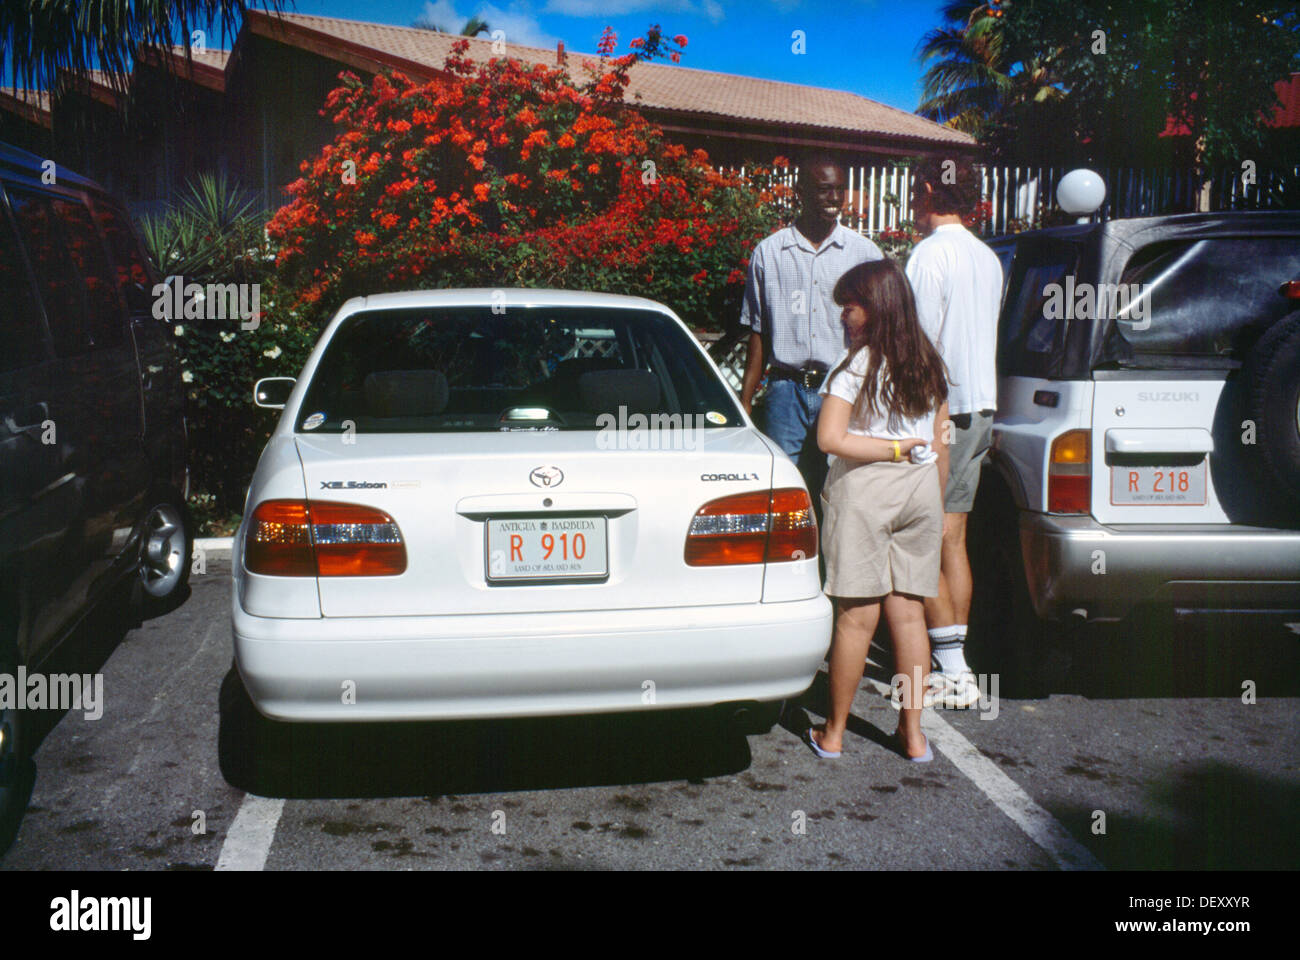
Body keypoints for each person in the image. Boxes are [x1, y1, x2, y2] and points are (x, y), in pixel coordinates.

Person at [805, 259, 949, 762]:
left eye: (851, 305)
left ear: (876, 308)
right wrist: (934, 493)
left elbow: (830, 439)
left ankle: (835, 732)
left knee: (856, 620)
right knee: (909, 618)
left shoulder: (855, 367)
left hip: (867, 492)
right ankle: (913, 736)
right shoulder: (929, 363)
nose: (844, 316)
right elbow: (939, 442)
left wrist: (889, 448)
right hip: (921, 491)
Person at [905, 158, 1003, 710]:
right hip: (979, 406)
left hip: (938, 410)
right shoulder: (986, 257)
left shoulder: (928, 255)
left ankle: (952, 669)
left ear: (925, 190)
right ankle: (955, 664)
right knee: (954, 537)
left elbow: (917, 346)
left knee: (928, 538)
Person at [739, 155, 882, 505]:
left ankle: (833, 561)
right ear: (800, 192)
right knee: (784, 494)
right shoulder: (769, 253)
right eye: (824, 190)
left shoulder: (865, 254)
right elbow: (758, 334)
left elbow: (883, 331)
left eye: (839, 190)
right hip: (785, 393)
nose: (834, 199)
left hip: (844, 391)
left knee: (843, 491)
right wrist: (744, 402)